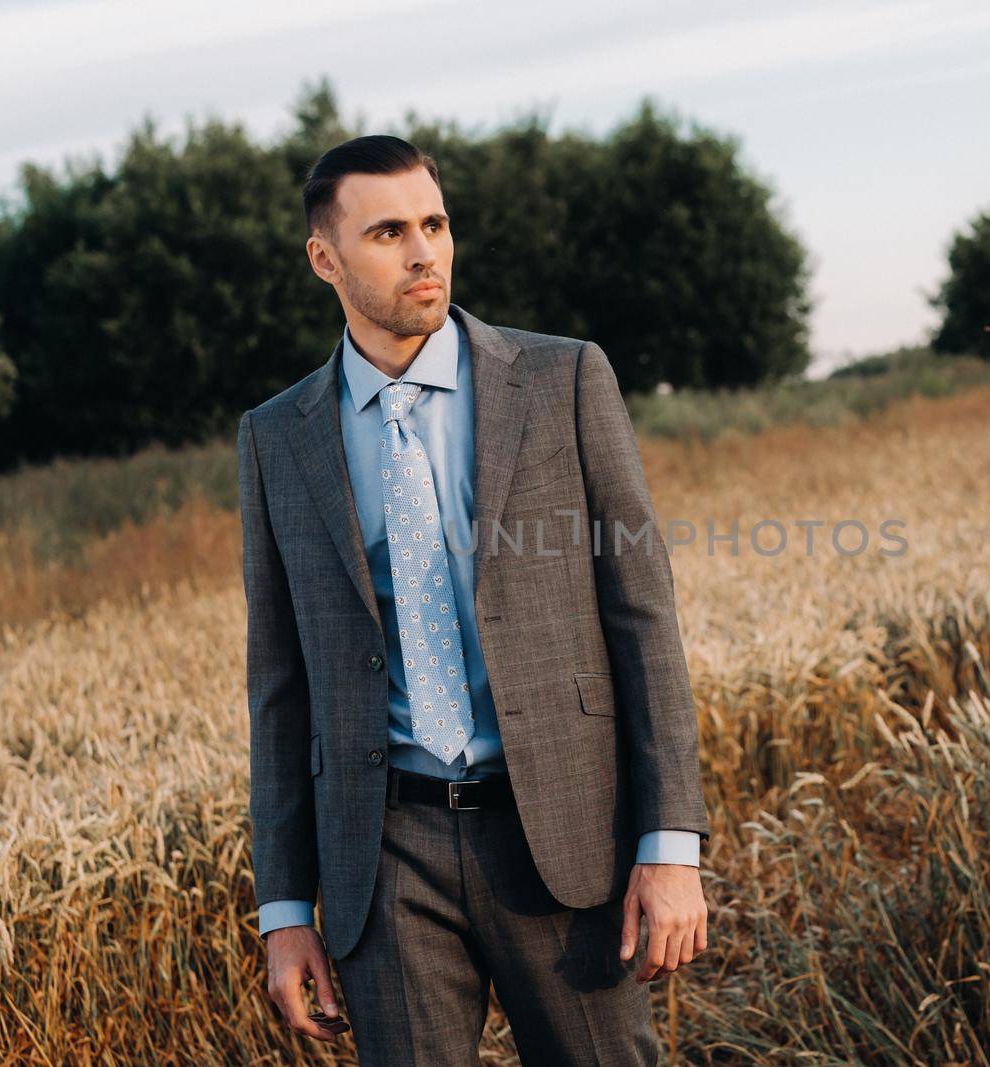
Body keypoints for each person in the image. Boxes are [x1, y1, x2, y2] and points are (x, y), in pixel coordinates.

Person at [235, 134, 709, 1065]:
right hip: (385, 854)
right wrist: (285, 911)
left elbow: (643, 618)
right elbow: (279, 686)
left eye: (435, 223)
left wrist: (670, 845)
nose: (424, 253)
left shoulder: (564, 379)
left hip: (561, 839)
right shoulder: (274, 438)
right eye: (387, 232)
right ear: (325, 259)